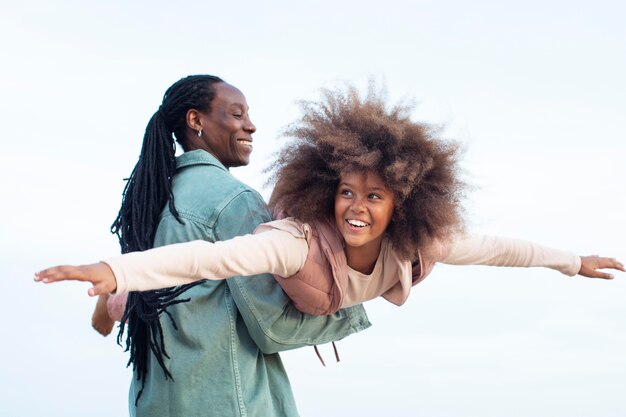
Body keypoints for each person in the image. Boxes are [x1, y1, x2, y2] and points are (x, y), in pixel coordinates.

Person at [36, 84, 623, 338]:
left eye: (374, 196)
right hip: (279, 285)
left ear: (403, 203)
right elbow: (214, 258)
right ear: (328, 190)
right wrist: (116, 270)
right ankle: (119, 298)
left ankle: (122, 291)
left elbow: (500, 249)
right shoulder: (296, 241)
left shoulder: (421, 243)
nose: (356, 208)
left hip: (318, 308)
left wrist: (574, 262)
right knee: (199, 280)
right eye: (346, 192)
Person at [45, 75, 371, 417]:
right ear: (195, 120)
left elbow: (140, 291)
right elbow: (273, 329)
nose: (251, 125)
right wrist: (352, 300)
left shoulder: (150, 201)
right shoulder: (233, 202)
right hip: (231, 404)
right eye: (237, 114)